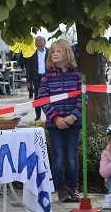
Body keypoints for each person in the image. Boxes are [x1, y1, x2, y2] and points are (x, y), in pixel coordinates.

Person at [38, 38, 84, 203]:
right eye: (53, 52)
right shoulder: (47, 77)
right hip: (54, 124)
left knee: (72, 156)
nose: (55, 54)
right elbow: (43, 98)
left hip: (74, 123)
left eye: (58, 51)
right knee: (57, 157)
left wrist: (73, 116)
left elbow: (82, 98)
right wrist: (56, 117)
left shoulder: (78, 75)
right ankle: (61, 190)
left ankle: (73, 188)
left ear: (67, 53)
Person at [25, 36, 48, 119]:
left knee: (48, 95)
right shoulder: (32, 53)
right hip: (37, 77)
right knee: (37, 97)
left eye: (42, 40)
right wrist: (28, 81)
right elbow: (29, 68)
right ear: (36, 42)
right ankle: (38, 116)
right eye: (38, 40)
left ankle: (49, 115)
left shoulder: (49, 52)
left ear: (44, 42)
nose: (40, 42)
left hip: (47, 76)